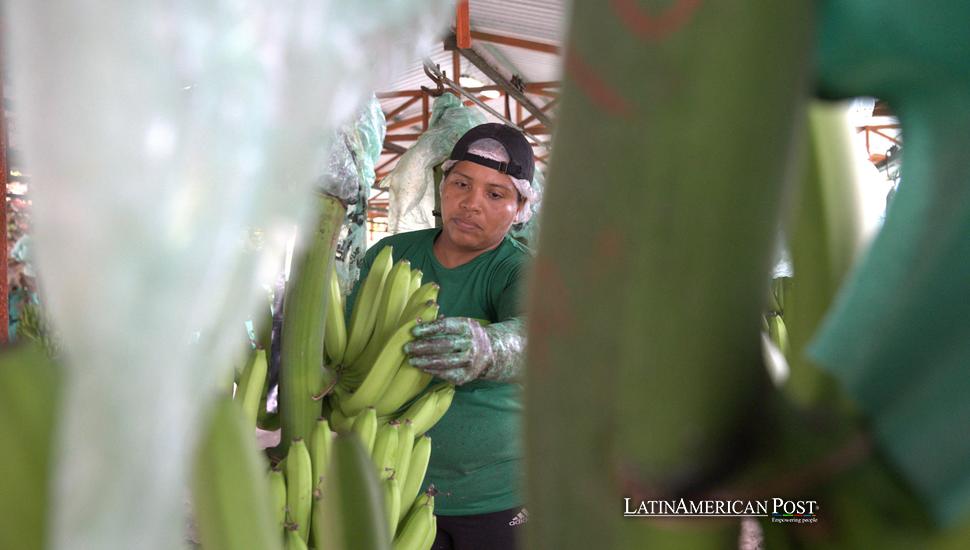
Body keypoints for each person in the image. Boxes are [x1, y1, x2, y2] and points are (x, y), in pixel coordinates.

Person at [347, 122, 538, 549]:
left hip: (494, 494)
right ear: (442, 187)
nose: (471, 203)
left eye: (495, 194)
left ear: (520, 208)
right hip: (392, 476)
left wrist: (488, 347)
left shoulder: (519, 271)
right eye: (461, 184)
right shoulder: (389, 255)